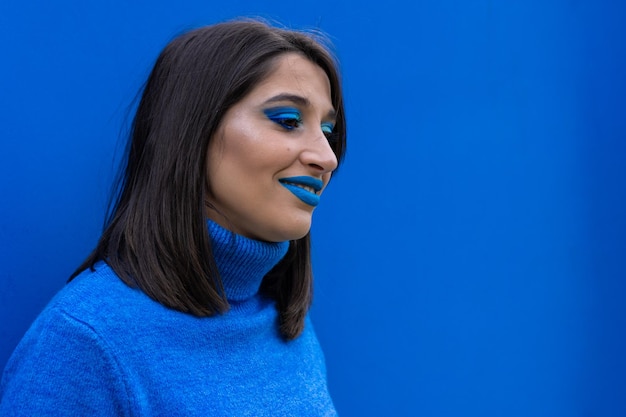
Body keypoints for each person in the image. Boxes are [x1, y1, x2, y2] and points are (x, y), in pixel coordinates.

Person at [0, 18, 346, 416]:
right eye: (288, 121)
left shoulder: (285, 327)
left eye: (327, 131)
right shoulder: (86, 341)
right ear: (193, 130)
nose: (326, 156)